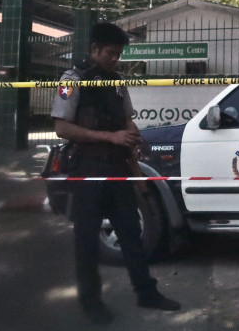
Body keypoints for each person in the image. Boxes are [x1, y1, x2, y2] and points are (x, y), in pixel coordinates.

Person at [51, 23, 180, 324]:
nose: (114, 59)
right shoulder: (72, 79)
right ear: (94, 49)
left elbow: (127, 119)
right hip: (87, 168)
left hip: (118, 166)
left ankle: (146, 293)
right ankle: (91, 301)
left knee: (131, 233)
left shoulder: (117, 81)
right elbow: (61, 127)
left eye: (118, 54)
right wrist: (111, 138)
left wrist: (133, 137)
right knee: (86, 239)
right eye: (110, 53)